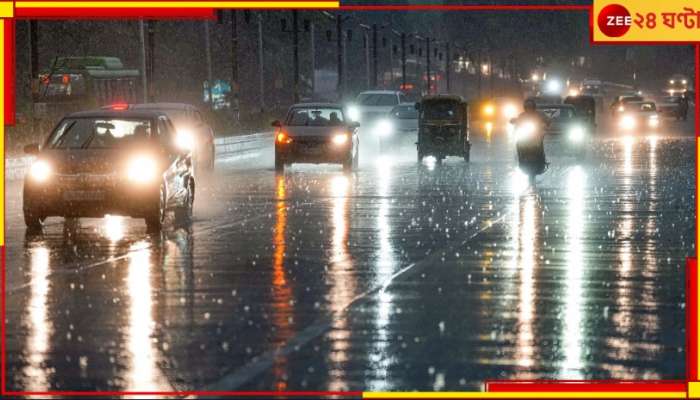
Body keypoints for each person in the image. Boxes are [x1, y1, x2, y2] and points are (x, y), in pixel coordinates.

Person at [515, 99, 548, 165]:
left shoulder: (540, 114)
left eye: (530, 106)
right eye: (527, 106)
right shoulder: (522, 115)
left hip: (537, 134)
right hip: (525, 135)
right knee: (518, 143)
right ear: (524, 107)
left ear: (533, 107)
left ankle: (542, 159)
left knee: (540, 142)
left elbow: (548, 120)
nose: (528, 108)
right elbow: (517, 124)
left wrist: (545, 124)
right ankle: (520, 159)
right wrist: (515, 122)